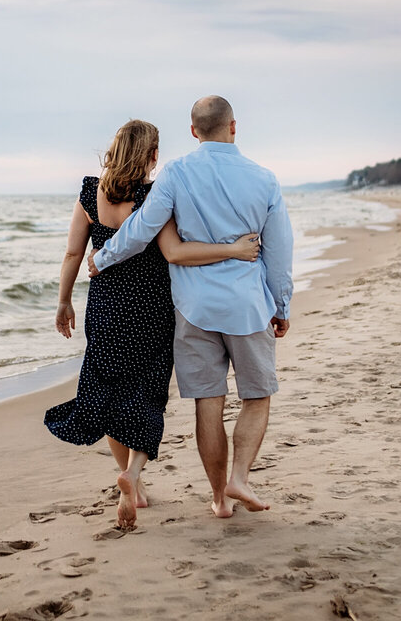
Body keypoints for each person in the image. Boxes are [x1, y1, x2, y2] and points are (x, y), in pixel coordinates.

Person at [45, 119, 261, 531]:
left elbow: (73, 254)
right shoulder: (153, 196)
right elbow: (174, 251)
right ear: (153, 156)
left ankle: (131, 480)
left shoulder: (92, 192)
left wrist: (63, 302)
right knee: (147, 395)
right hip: (152, 311)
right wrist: (232, 250)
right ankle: (135, 474)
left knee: (107, 392)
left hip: (106, 309)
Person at [88, 96, 293, 518]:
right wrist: (282, 304)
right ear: (233, 127)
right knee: (257, 397)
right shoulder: (264, 179)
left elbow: (141, 230)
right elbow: (279, 251)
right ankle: (238, 478)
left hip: (194, 309)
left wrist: (103, 259)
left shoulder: (176, 173)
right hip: (248, 307)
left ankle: (219, 499)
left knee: (208, 403)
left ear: (194, 131)